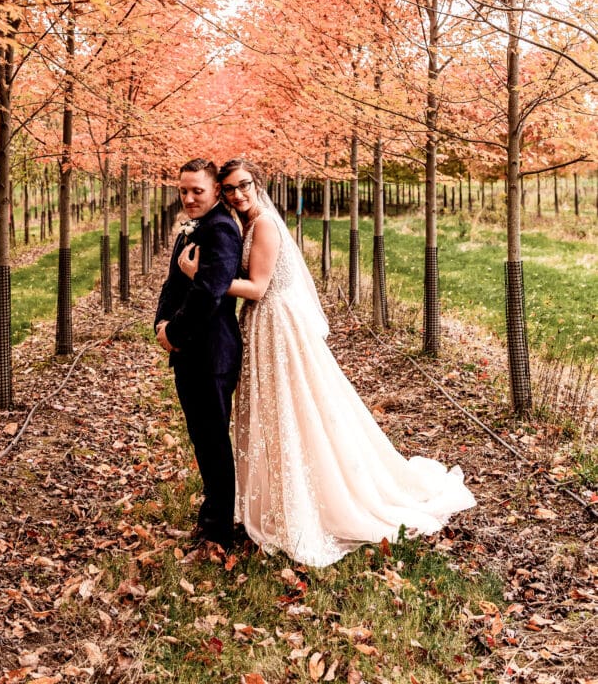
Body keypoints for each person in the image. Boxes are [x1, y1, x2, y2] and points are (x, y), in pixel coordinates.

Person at [178, 158, 476, 568]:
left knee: (291, 409)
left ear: (258, 183)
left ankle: (311, 502)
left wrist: (203, 278)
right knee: (273, 412)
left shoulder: (263, 223)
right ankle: (274, 499)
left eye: (243, 185)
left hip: (276, 323)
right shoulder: (244, 223)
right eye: (229, 188)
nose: (237, 194)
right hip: (260, 323)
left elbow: (260, 287)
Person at [155, 158, 243, 550]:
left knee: (212, 442)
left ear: (214, 191)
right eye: (183, 191)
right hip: (193, 351)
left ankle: (219, 529)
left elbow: (210, 291)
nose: (189, 198)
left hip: (211, 354)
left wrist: (174, 333)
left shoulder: (221, 229)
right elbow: (174, 282)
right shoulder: (195, 224)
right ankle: (212, 521)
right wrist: (160, 324)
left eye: (197, 191)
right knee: (202, 439)